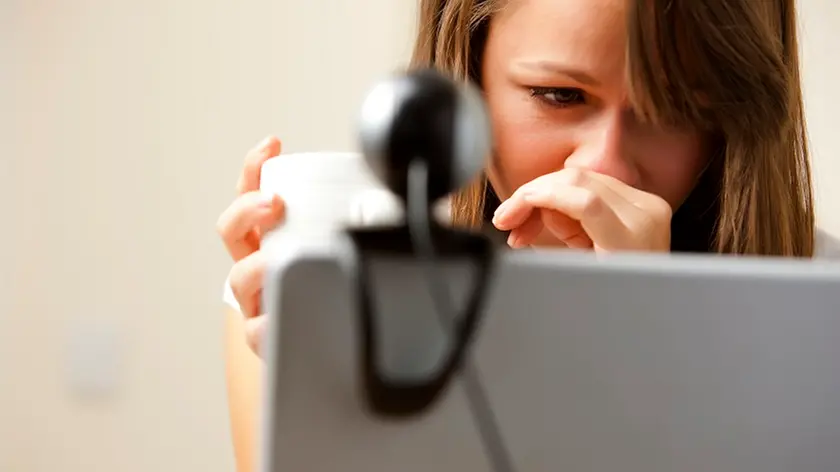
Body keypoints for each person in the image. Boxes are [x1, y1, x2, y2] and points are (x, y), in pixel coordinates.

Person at [215, 0, 839, 469]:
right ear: (468, 68)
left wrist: (649, 345)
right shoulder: (316, 287)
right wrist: (323, 398)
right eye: (559, 95)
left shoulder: (818, 309)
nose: (605, 167)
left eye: (676, 111)